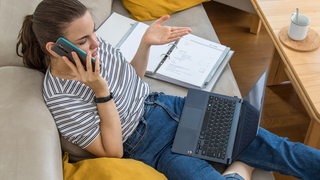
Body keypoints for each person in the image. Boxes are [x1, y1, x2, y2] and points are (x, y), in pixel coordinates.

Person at [16, 0, 320, 179]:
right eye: (83, 41)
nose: (96, 44)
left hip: (171, 107)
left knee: (281, 149)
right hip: (147, 145)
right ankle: (240, 167)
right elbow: (114, 151)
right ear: (56, 48)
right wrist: (100, 91)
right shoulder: (59, 98)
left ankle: (242, 162)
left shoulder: (95, 48)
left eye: (93, 32)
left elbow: (133, 80)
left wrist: (145, 44)